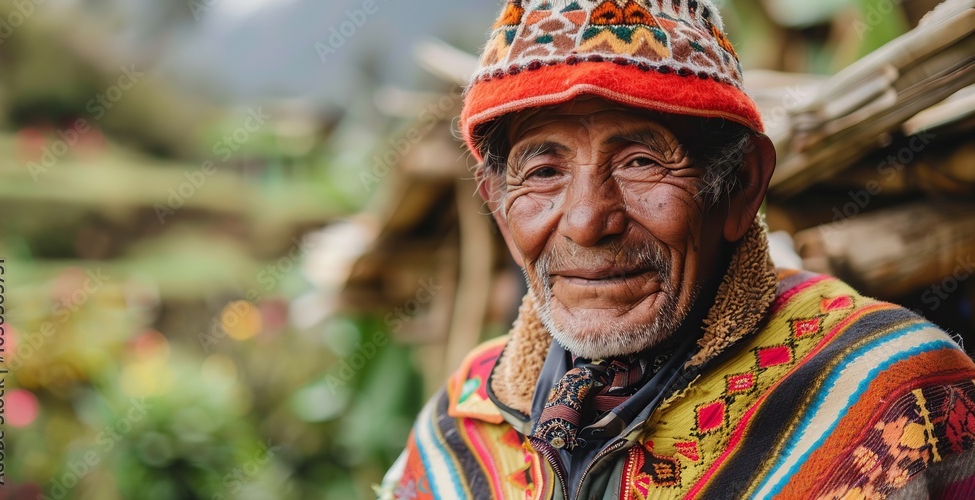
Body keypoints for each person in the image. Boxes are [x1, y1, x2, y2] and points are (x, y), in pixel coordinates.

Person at [380, 1, 975, 498]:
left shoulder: (891, 393)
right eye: (542, 170)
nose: (587, 223)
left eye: (641, 162)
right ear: (499, 210)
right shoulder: (460, 419)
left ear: (741, 186)